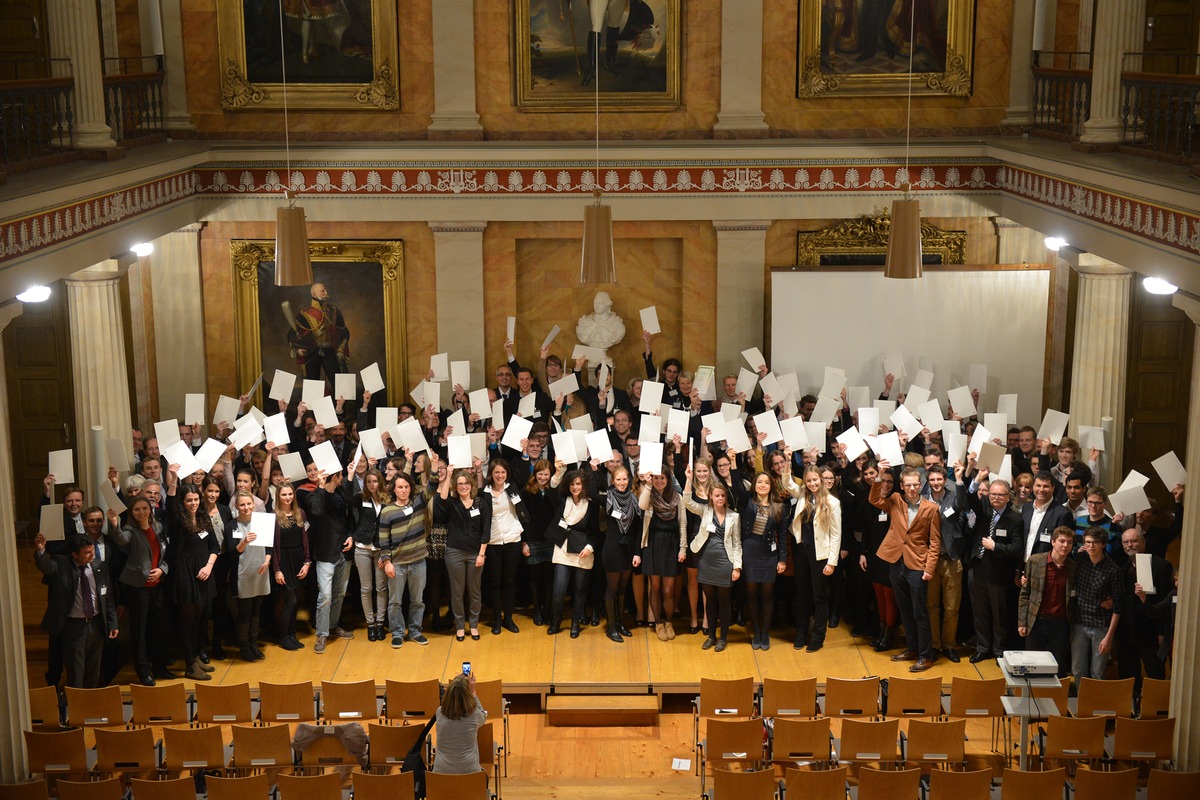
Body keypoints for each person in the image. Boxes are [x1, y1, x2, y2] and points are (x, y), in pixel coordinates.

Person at [869, 461, 941, 672]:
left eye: (915, 485)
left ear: (921, 485)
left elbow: (935, 542)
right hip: (895, 562)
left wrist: (929, 568)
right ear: (902, 485)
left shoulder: (931, 509)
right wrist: (879, 475)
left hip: (918, 564)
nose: (911, 488)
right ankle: (911, 649)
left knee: (920, 612)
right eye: (908, 484)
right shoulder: (895, 500)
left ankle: (925, 655)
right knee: (904, 610)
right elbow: (874, 498)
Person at [33, 533, 118, 688]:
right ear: (74, 555)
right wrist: (40, 551)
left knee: (94, 673)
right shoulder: (61, 564)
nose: (92, 554)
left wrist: (112, 623)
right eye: (87, 552)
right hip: (73, 627)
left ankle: (90, 708)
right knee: (76, 674)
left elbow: (108, 598)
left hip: (97, 626)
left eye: (92, 550)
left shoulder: (100, 566)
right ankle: (76, 709)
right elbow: (47, 566)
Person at [782, 457, 842, 653]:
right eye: (809, 481)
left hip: (821, 554)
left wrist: (832, 562)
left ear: (822, 481)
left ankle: (817, 636)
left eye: (815, 480)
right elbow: (786, 482)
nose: (813, 483)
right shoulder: (802, 495)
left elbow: (836, 534)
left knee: (820, 596)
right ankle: (801, 633)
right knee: (802, 593)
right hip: (801, 550)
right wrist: (788, 462)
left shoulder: (832, 502)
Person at [114, 497, 173, 686]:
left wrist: (162, 570)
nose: (141, 512)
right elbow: (121, 540)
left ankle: (160, 666)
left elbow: (166, 553)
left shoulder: (158, 528)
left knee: (161, 627)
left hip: (157, 585)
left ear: (151, 509)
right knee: (139, 630)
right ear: (132, 513)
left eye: (145, 508)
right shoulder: (130, 531)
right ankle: (143, 671)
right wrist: (115, 523)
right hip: (138, 588)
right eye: (137, 509)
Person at [965, 476, 1024, 663]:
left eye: (1001, 495)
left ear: (1008, 497)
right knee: (979, 612)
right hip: (977, 568)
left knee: (999, 614)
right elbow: (970, 497)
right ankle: (983, 648)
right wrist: (977, 478)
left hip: (998, 573)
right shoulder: (984, 508)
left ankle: (999, 650)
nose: (996, 498)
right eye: (993, 494)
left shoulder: (1015, 519)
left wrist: (996, 546)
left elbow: (1017, 548)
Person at [378, 463, 437, 648]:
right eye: (400, 487)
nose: (403, 490)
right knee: (395, 602)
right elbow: (383, 540)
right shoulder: (387, 511)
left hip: (419, 561)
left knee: (417, 601)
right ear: (394, 490)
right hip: (397, 564)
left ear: (410, 488)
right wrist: (387, 561)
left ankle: (415, 631)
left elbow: (433, 485)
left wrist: (433, 466)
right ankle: (397, 633)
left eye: (406, 487)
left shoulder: (418, 502)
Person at [164, 485, 220, 680]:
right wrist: (172, 480)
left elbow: (215, 546)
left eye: (196, 499)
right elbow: (170, 505)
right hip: (185, 574)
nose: (193, 503)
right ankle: (189, 665)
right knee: (187, 622)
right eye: (189, 500)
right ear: (183, 502)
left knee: (199, 620)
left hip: (204, 573)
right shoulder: (178, 520)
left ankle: (195, 658)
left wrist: (209, 566)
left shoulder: (204, 518)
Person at [434, 462, 491, 641]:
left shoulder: (481, 503)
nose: (463, 486)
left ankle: (473, 625)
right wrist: (449, 474)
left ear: (471, 485)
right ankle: (460, 626)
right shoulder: (452, 503)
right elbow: (441, 500)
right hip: (454, 553)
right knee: (457, 591)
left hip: (476, 553)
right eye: (460, 484)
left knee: (474, 591)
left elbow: (486, 530)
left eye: (466, 483)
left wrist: (482, 553)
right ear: (456, 487)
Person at [684, 476, 741, 652]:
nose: (720, 499)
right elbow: (687, 502)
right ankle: (711, 636)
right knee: (710, 601)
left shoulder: (734, 516)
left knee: (724, 601)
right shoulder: (705, 511)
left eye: (722, 496)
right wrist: (687, 480)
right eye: (717, 496)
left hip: (725, 562)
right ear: (711, 497)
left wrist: (737, 567)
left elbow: (737, 543)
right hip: (706, 560)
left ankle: (723, 638)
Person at [546, 465, 602, 638]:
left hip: (582, 553)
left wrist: (589, 548)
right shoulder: (563, 500)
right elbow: (551, 488)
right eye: (572, 484)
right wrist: (557, 472)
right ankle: (556, 622)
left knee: (580, 591)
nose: (575, 487)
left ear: (583, 485)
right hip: (562, 549)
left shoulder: (591, 506)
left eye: (578, 484)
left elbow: (595, 533)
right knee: (558, 591)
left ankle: (575, 623)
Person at [1018, 526, 1077, 678]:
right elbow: (1025, 593)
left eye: (1069, 542)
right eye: (1061, 541)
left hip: (1060, 624)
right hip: (1036, 621)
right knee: (1033, 666)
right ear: (1053, 542)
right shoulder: (1035, 561)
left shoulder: (1074, 567)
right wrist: (1022, 622)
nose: (1065, 545)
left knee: (1058, 669)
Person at [481, 459, 530, 635]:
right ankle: (497, 619)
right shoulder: (484, 492)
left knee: (510, 581)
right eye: (496, 473)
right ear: (491, 475)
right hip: (493, 541)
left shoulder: (512, 489)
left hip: (512, 539)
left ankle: (508, 618)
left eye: (503, 472)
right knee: (494, 582)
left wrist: (525, 541)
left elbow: (522, 513)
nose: (500, 476)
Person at [1071, 526, 1124, 685]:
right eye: (1087, 542)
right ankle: (1082, 706)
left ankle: (1096, 707)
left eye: (1095, 542)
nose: (1091, 546)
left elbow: (1118, 606)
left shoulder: (1113, 570)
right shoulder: (1080, 560)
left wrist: (1109, 637)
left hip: (1101, 626)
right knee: (1077, 670)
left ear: (1103, 544)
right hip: (1079, 623)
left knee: (1097, 672)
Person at [740, 472, 787, 650]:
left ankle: (765, 633)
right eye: (759, 482)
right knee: (751, 594)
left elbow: (782, 535)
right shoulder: (748, 502)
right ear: (754, 485)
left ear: (771, 486)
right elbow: (737, 485)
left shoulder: (778, 506)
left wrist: (782, 559)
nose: (762, 485)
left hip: (769, 555)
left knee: (767, 595)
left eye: (766, 482)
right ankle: (756, 631)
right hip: (750, 553)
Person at [638, 469, 686, 642]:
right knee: (655, 587)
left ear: (668, 479)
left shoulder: (677, 497)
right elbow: (642, 505)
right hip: (653, 543)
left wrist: (683, 548)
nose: (659, 481)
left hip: (671, 544)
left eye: (662, 478)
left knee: (668, 589)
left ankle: (669, 621)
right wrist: (648, 485)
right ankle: (658, 623)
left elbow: (682, 525)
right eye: (656, 478)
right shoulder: (649, 496)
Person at [229, 490, 272, 662]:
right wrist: (245, 540)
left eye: (248, 504)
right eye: (242, 505)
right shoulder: (232, 525)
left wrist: (267, 562)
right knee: (244, 613)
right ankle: (244, 647)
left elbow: (269, 548)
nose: (246, 507)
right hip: (243, 574)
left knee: (256, 611)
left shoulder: (262, 522)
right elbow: (233, 553)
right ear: (236, 506)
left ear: (253, 505)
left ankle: (254, 644)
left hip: (260, 571)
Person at [601, 465, 641, 642]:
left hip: (629, 550)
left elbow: (638, 529)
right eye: (619, 479)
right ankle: (611, 627)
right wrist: (595, 471)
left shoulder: (635, 499)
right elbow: (591, 491)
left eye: (625, 479)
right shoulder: (607, 498)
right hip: (612, 549)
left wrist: (637, 552)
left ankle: (620, 623)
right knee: (612, 587)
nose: (622, 482)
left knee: (623, 588)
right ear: (612, 481)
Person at [348, 467, 388, 642]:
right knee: (366, 588)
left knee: (381, 588)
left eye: (375, 481)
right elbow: (347, 498)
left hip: (380, 549)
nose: (372, 484)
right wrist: (350, 477)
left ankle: (380, 623)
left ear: (380, 482)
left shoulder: (388, 499)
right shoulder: (361, 498)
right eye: (369, 481)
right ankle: (370, 624)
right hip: (362, 547)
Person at [271, 483, 310, 651]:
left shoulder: (300, 513)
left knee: (296, 600)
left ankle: (292, 634)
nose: (287, 497)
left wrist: (307, 562)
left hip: (298, 559)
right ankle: (283, 636)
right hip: (283, 560)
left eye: (290, 494)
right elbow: (272, 546)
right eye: (283, 494)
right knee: (291, 600)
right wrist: (277, 569)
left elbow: (305, 539)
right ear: (278, 497)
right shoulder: (273, 516)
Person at [288, 282, 350, 383]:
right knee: (312, 386)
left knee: (338, 383)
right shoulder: (303, 313)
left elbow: (344, 332)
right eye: (322, 291)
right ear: (314, 295)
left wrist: (341, 349)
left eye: (326, 290)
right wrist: (298, 349)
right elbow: (293, 335)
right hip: (312, 352)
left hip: (329, 351)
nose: (326, 292)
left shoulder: (334, 311)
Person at [433, 672, 487, 776]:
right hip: (470, 775)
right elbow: (483, 716)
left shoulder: (439, 712)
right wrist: (474, 693)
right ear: (468, 695)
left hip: (440, 776)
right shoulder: (475, 715)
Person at [575, 290, 626, 364]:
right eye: (595, 303)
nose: (597, 306)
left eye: (601, 303)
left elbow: (619, 333)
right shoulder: (584, 323)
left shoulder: (617, 325)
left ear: (608, 304)